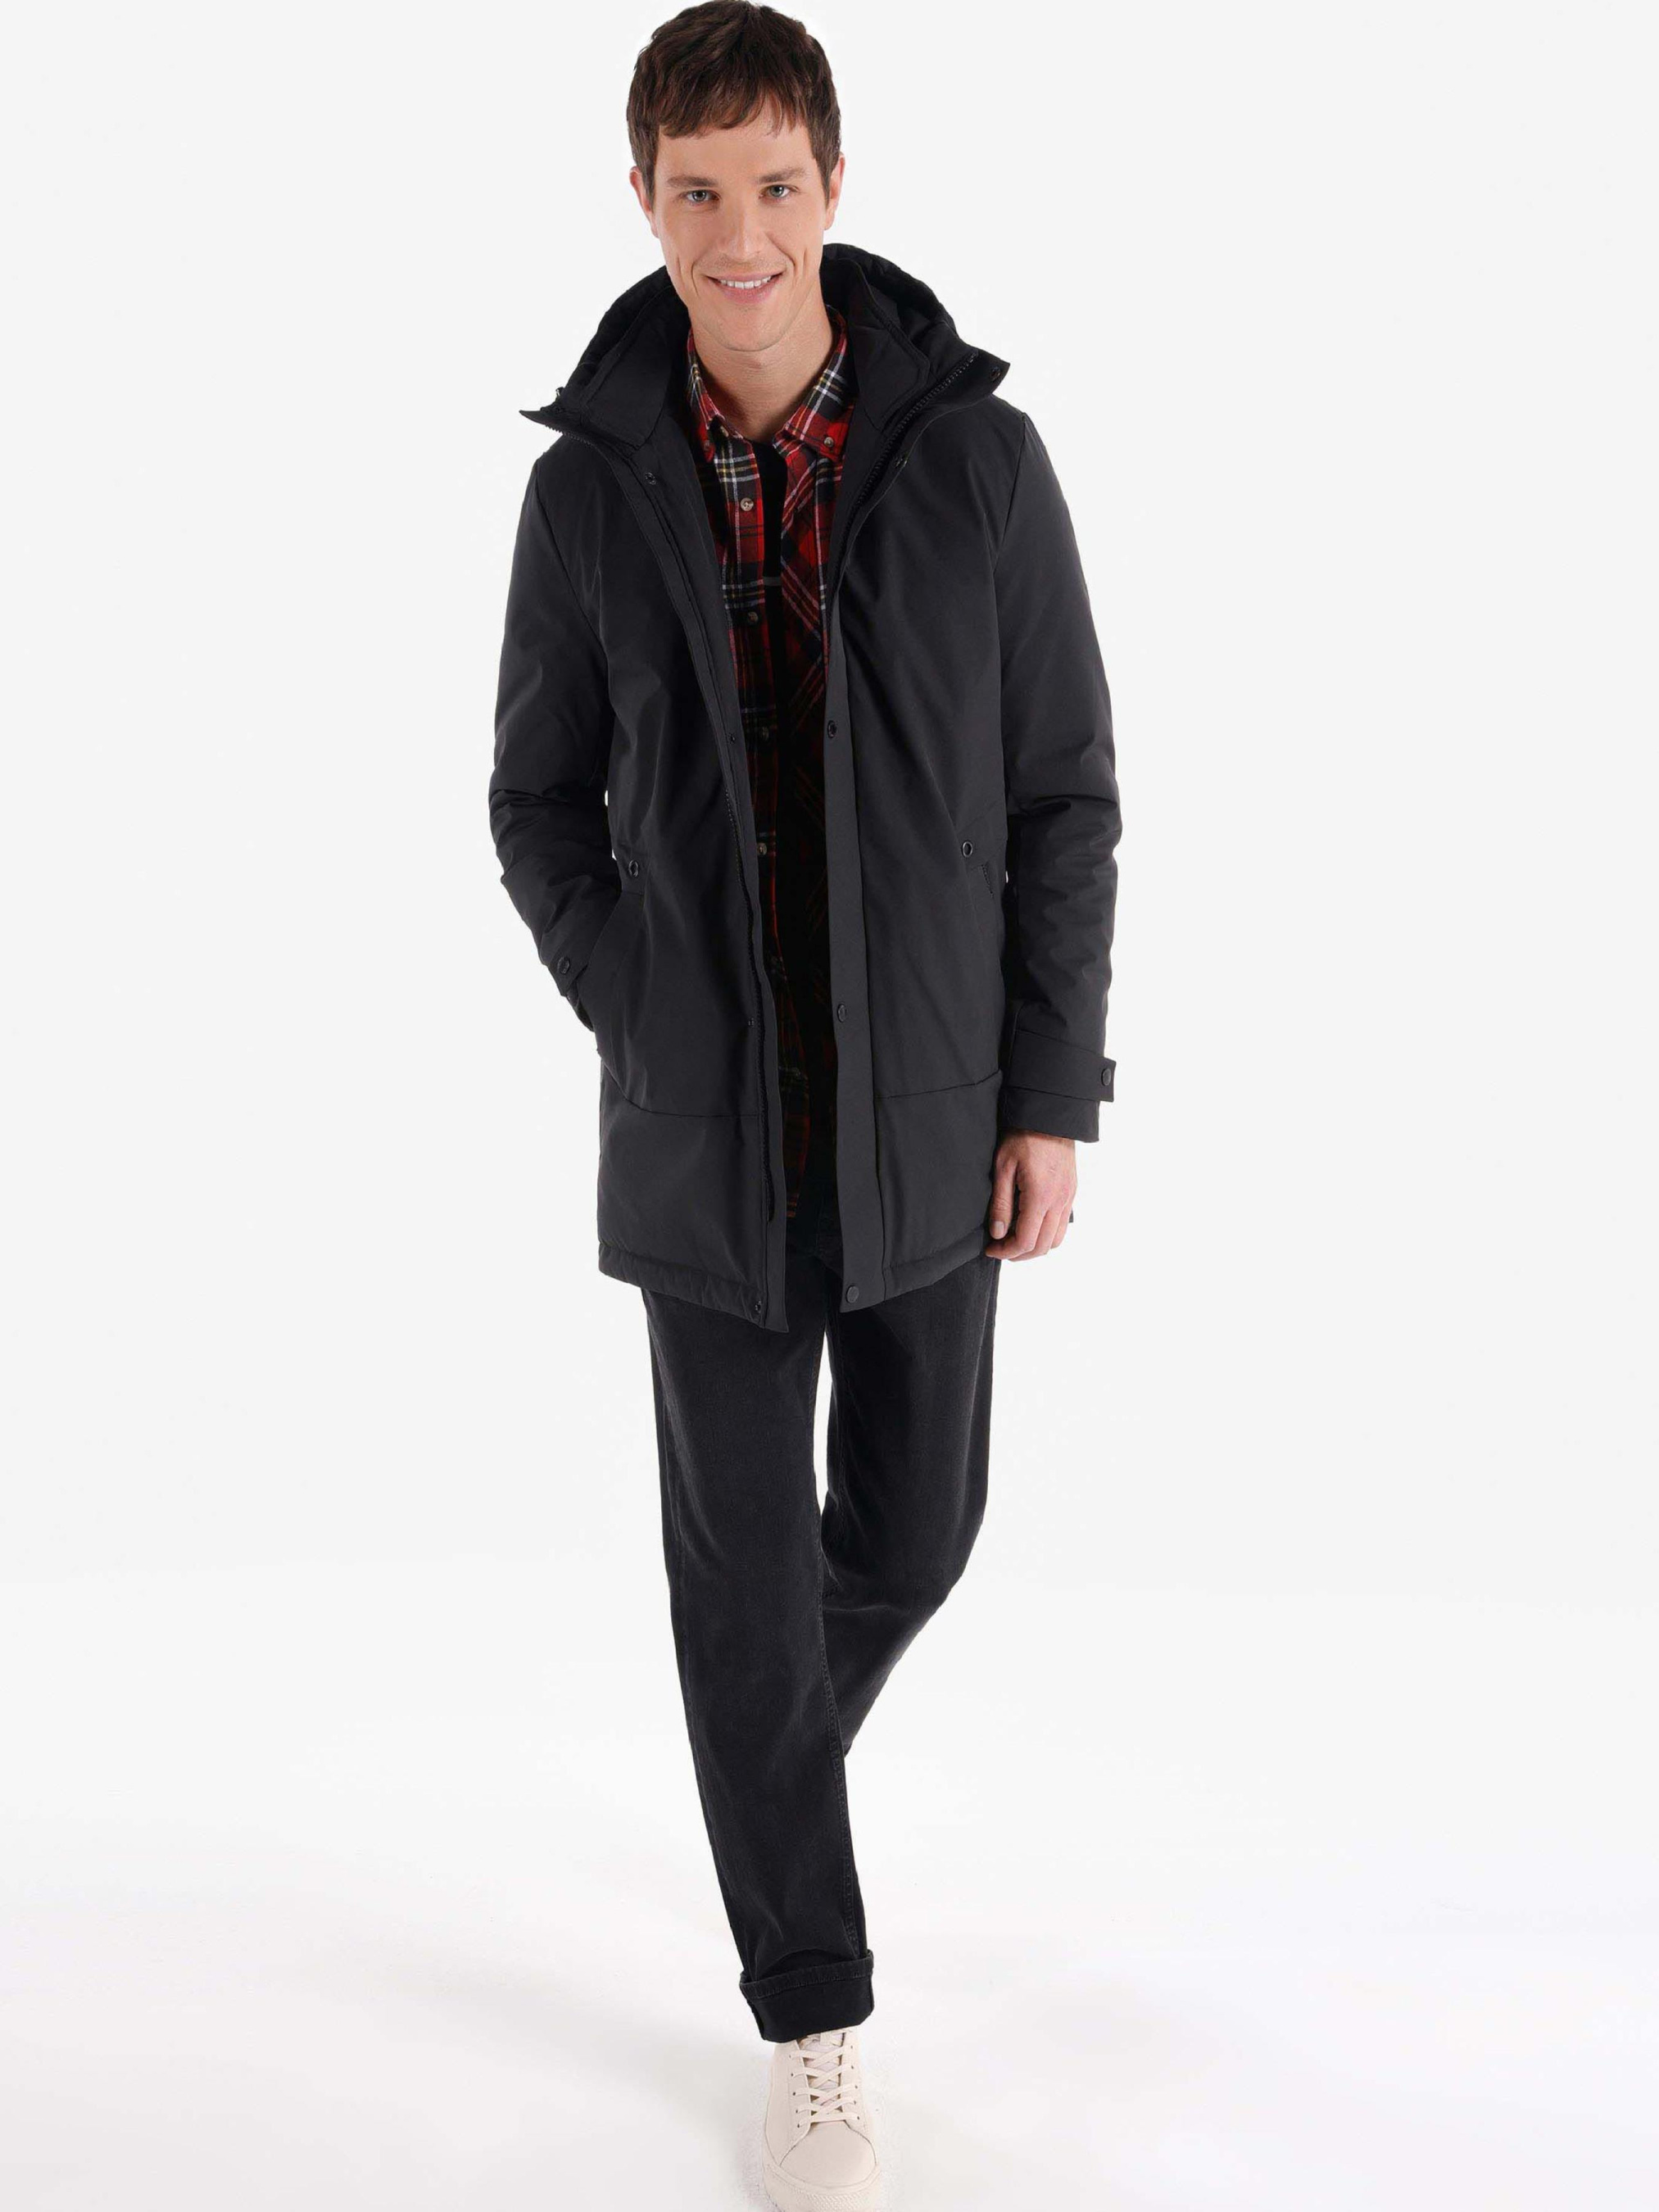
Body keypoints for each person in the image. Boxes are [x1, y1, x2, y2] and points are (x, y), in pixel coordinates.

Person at [488, 5, 1120, 2202]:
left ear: (833, 186)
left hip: (932, 1109)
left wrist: (1048, 1090)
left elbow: (1062, 799)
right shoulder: (586, 492)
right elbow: (535, 802)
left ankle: (757, 1770)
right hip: (704, 1135)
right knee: (742, 1582)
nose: (737, 233)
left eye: (772, 184)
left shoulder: (977, 466)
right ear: (642, 200)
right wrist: (636, 999)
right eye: (696, 191)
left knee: (914, 1532)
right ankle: (812, 2009)